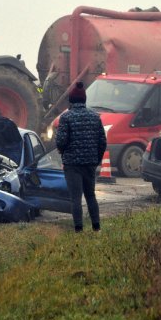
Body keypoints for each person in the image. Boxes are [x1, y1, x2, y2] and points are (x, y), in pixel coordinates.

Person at [55, 81, 107, 232]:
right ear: (84, 100)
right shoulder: (95, 117)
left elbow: (61, 141)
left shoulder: (66, 117)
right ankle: (96, 227)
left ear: (71, 101)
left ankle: (79, 229)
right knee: (90, 195)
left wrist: (62, 150)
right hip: (90, 163)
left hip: (72, 164)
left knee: (76, 198)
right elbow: (102, 142)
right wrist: (95, 160)